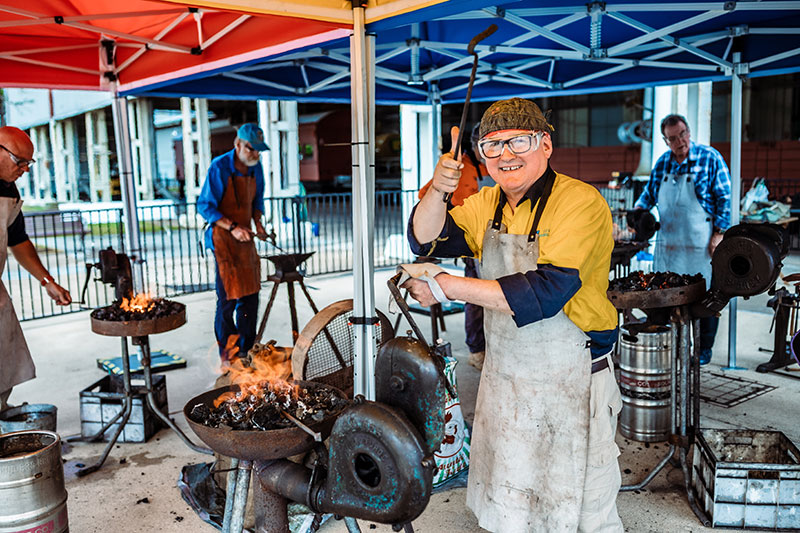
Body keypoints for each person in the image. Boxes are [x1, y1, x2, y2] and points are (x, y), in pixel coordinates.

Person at [404, 98, 623, 532]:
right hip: (506, 375)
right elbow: (425, 240)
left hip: (573, 376)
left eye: (518, 141)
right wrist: (437, 190)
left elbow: (545, 293)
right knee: (512, 503)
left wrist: (445, 286)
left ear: (545, 145)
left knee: (582, 509)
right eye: (492, 145)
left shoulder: (580, 201)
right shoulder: (488, 203)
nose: (506, 154)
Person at [633, 114, 731, 365]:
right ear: (666, 141)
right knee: (666, 293)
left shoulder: (710, 158)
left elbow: (724, 198)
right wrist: (637, 215)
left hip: (701, 243)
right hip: (670, 244)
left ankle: (703, 348)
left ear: (689, 131)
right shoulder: (663, 163)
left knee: (706, 296)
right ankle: (666, 344)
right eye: (674, 138)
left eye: (683, 134)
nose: (681, 141)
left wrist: (720, 232)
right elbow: (648, 195)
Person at [0, 126, 71, 410]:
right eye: (21, 161)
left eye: (29, 163)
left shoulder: (8, 190)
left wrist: (47, 281)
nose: (25, 169)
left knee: (5, 360)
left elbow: (18, 241)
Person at [418, 124, 489, 370]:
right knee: (476, 298)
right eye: (486, 145)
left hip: (496, 241)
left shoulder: (485, 168)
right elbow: (424, 194)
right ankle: (477, 349)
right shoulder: (464, 168)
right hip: (474, 244)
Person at [198, 123, 268, 362]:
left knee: (251, 298)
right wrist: (234, 227)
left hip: (246, 239)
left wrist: (258, 225)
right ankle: (228, 356)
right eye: (252, 149)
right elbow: (205, 206)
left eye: (259, 150)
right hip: (223, 241)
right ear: (238, 145)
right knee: (227, 300)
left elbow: (257, 202)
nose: (256, 155)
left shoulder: (255, 168)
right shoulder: (219, 168)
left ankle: (246, 351)